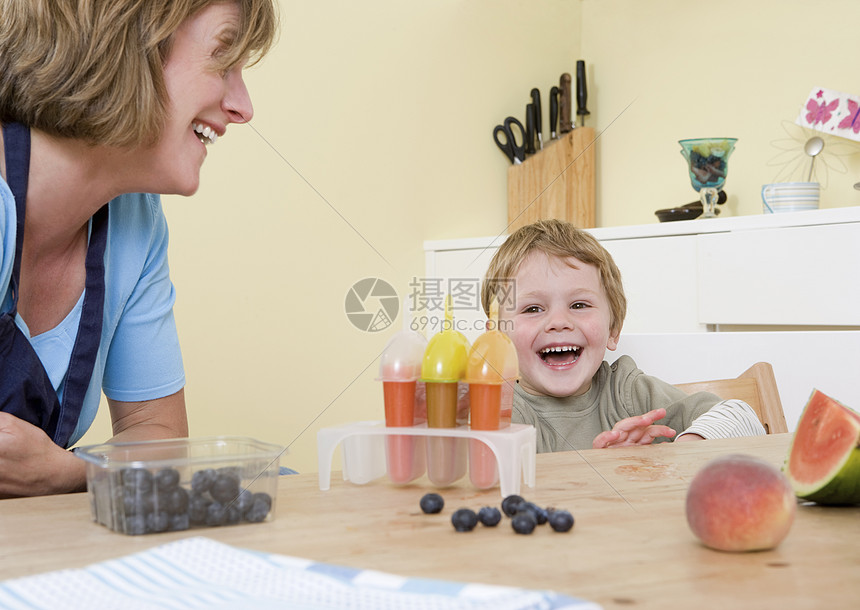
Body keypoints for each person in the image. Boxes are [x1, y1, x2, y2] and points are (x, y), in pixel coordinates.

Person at [0, 0, 278, 497]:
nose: (243, 107)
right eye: (223, 58)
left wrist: (64, 473)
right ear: (129, 46)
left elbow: (159, 433)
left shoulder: (136, 223)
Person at [481, 219, 765, 452]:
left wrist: (682, 449)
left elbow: (743, 417)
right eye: (532, 308)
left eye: (579, 305)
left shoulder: (627, 393)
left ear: (613, 330)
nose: (558, 322)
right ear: (498, 340)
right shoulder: (498, 411)